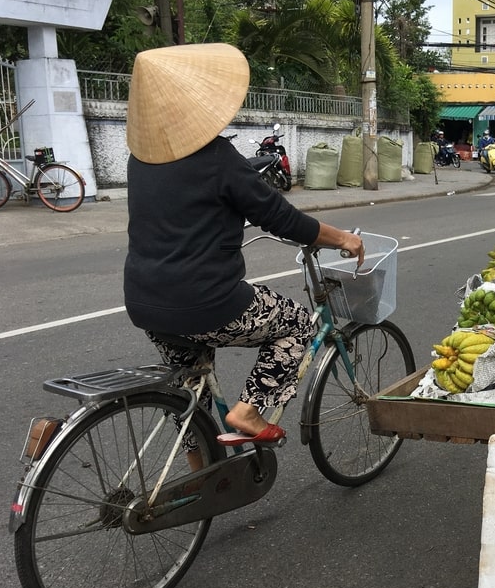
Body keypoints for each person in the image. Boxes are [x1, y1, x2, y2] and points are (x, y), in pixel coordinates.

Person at [123, 43, 364, 448]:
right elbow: (281, 218)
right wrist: (342, 237)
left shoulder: (139, 160)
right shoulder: (218, 157)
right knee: (298, 325)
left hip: (145, 302)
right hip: (207, 301)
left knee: (190, 399)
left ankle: (199, 485)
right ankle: (249, 410)